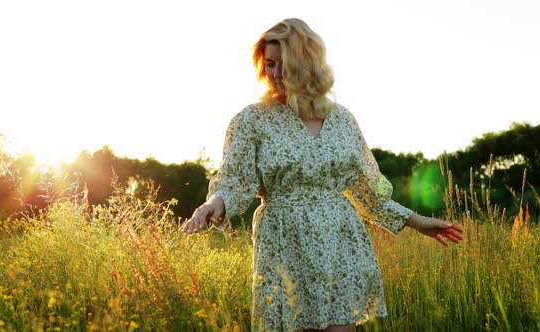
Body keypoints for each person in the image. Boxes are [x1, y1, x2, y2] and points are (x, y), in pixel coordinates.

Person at [181, 18, 463, 332]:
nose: (274, 74)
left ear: (307, 64)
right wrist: (214, 204)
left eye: (283, 65)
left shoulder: (342, 120)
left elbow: (367, 192)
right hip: (285, 241)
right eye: (269, 64)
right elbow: (235, 180)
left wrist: (419, 221)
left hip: (342, 242)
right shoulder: (252, 120)